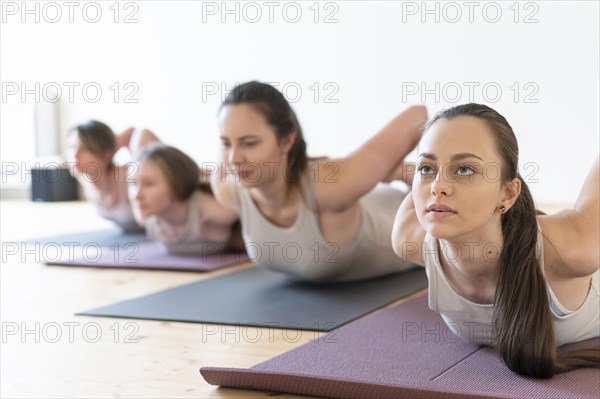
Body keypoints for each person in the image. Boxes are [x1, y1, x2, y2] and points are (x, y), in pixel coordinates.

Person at [391, 103, 599, 377]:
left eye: (464, 169)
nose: (437, 187)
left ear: (508, 194)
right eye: (427, 168)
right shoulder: (409, 236)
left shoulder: (571, 249)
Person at [211, 81, 427, 282]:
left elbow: (418, 115)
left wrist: (402, 170)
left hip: (400, 214)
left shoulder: (330, 185)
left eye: (249, 143)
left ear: (286, 140)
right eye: (226, 143)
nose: (233, 159)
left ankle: (404, 173)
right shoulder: (228, 189)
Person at [128, 132, 243, 254]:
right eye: (133, 184)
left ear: (176, 182)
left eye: (149, 184)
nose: (136, 195)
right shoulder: (144, 215)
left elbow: (244, 200)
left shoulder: (208, 209)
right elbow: (140, 135)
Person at [67, 121, 146, 232]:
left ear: (106, 153)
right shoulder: (84, 178)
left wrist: (110, 149)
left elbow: (138, 132)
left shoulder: (130, 177)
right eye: (72, 147)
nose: (75, 155)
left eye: (84, 148)